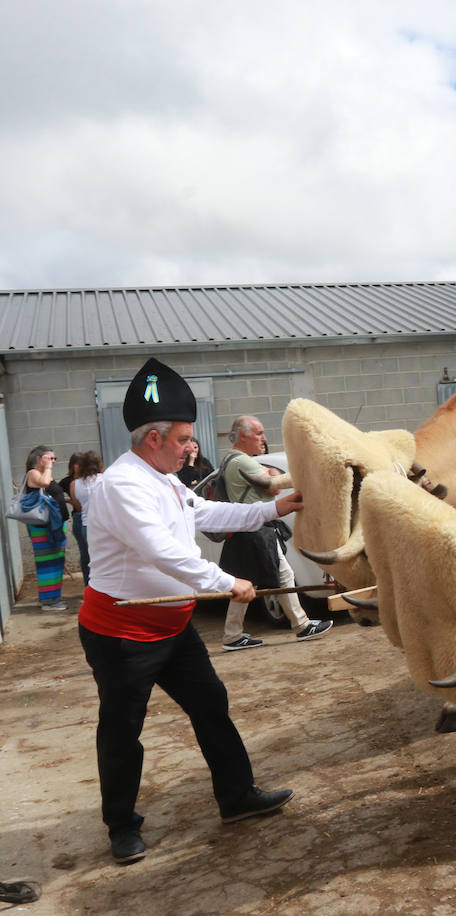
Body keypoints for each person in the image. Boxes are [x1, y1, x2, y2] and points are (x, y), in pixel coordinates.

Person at [80, 358, 301, 865]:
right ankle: (122, 826)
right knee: (122, 730)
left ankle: (237, 797)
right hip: (123, 632)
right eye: (182, 439)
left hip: (172, 625)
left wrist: (271, 510)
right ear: (153, 438)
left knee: (211, 705)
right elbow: (163, 551)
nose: (190, 447)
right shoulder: (123, 484)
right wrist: (227, 582)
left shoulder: (166, 478)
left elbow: (205, 513)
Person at [218, 415, 331, 651]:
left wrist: (268, 471)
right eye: (258, 433)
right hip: (257, 530)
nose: (264, 438)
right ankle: (300, 626)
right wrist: (268, 472)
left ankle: (234, 635)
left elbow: (270, 484)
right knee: (275, 577)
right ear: (242, 435)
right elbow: (275, 488)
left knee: (261, 579)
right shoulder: (244, 462)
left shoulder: (231, 459)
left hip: (249, 530)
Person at [23, 445, 69, 609]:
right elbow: (44, 483)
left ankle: (54, 597)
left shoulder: (43, 473)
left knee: (56, 561)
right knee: (47, 563)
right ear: (38, 459)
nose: (53, 461)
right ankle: (48, 601)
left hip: (53, 525)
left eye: (54, 458)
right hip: (42, 527)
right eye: (50, 458)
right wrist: (48, 468)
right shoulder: (33, 473)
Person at [70, 451, 104, 585]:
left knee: (89, 558)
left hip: (86, 524)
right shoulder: (105, 479)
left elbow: (78, 506)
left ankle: (89, 587)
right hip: (102, 525)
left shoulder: (74, 484)